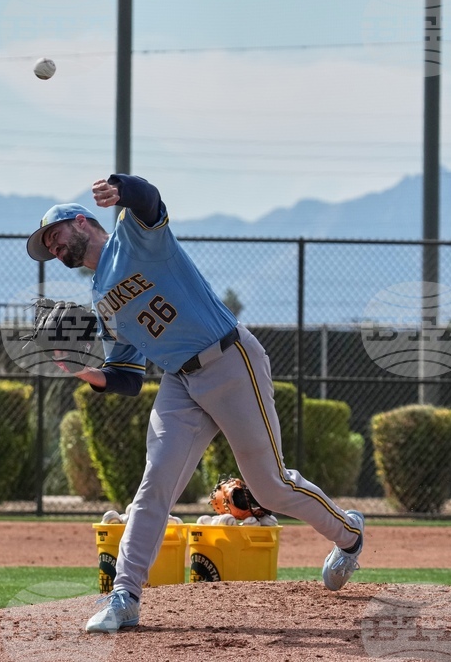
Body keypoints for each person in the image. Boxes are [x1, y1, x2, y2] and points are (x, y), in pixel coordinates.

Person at [26, 174, 365, 634]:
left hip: (229, 360)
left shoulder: (134, 235)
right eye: (47, 244)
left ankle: (349, 535)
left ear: (82, 221)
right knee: (155, 485)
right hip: (179, 383)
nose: (52, 246)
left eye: (54, 234)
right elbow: (127, 376)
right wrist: (84, 371)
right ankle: (125, 597)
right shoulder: (101, 300)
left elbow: (150, 200)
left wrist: (121, 188)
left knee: (269, 487)